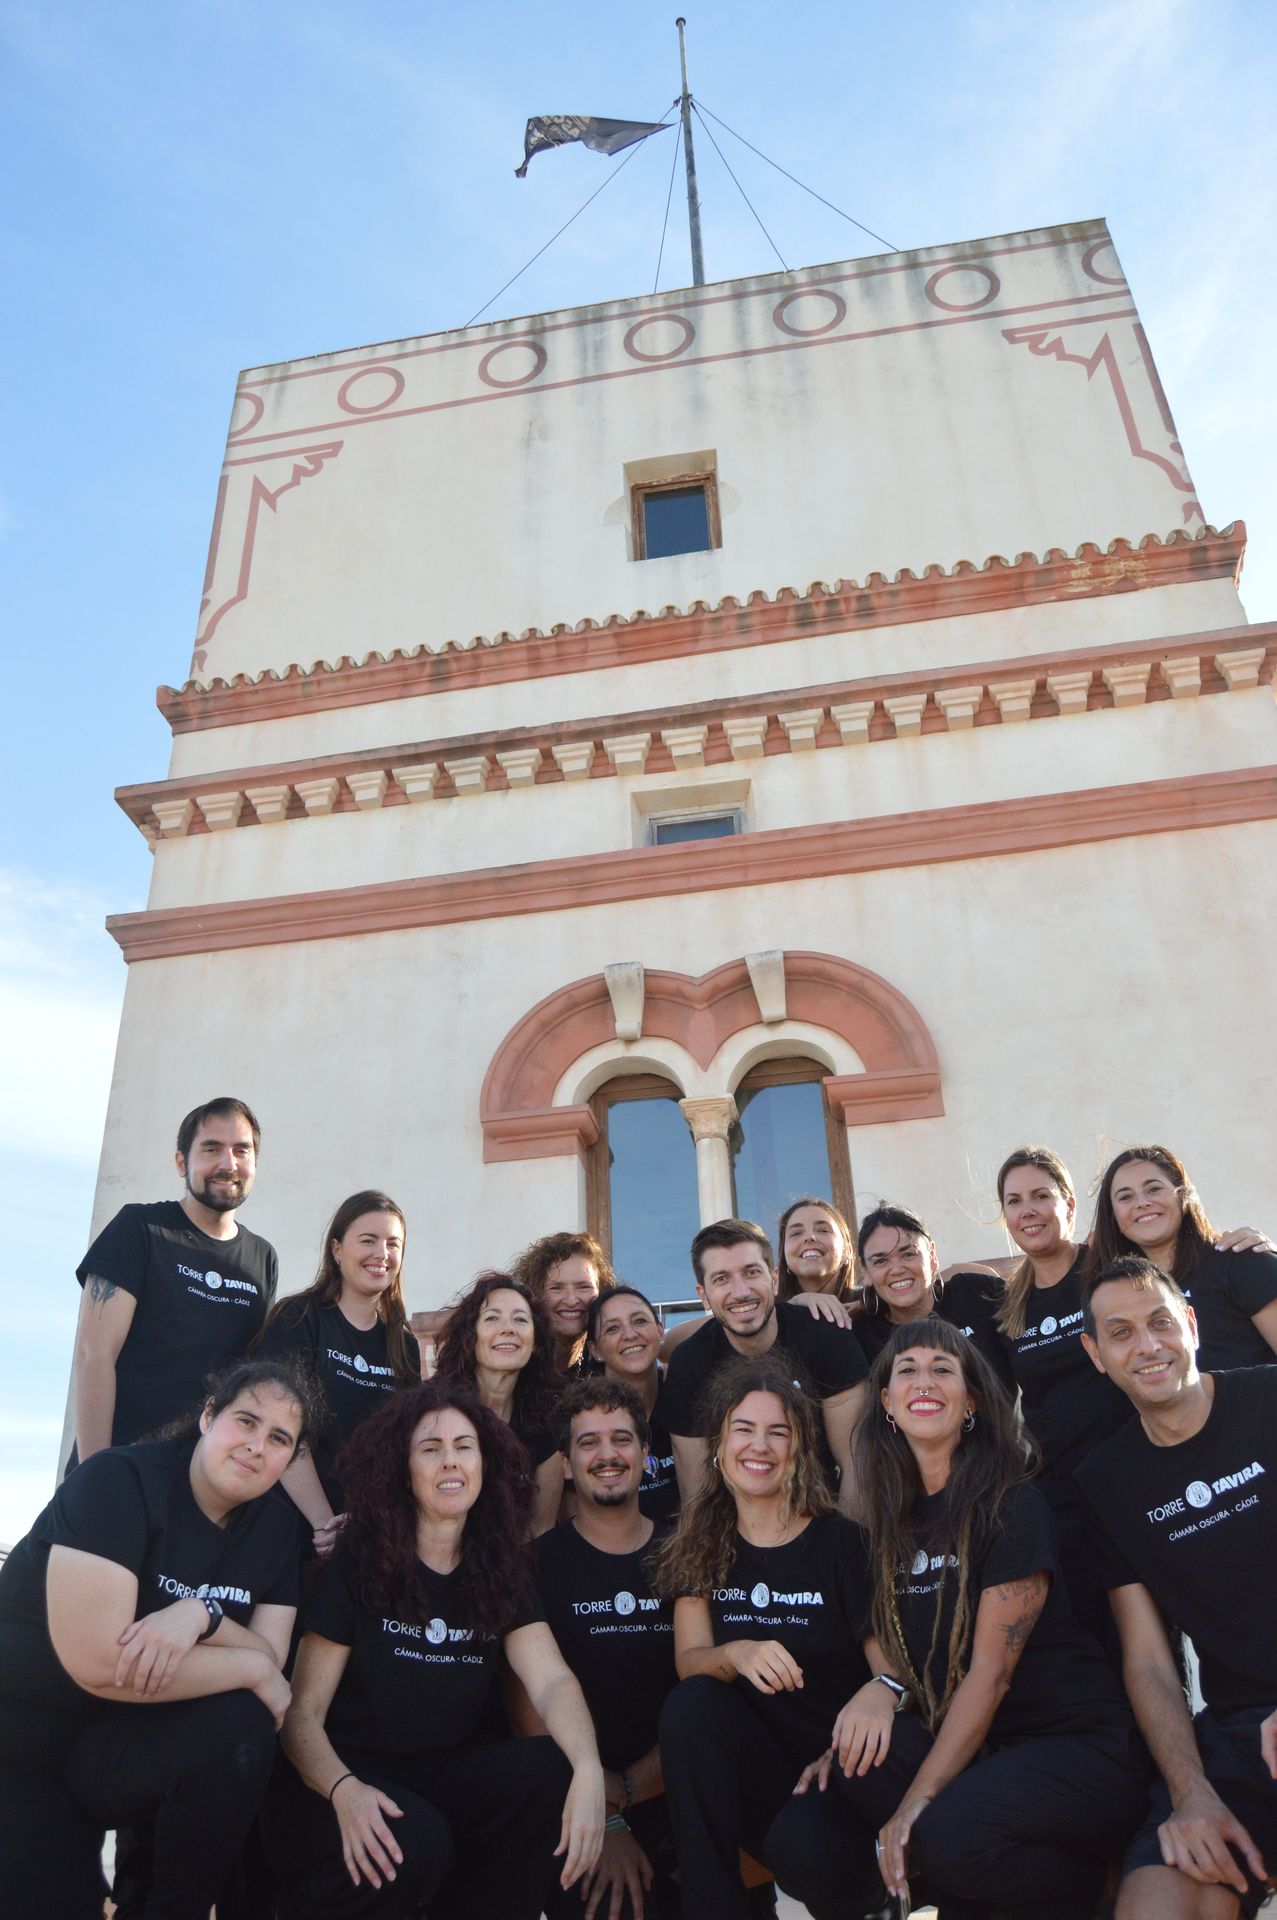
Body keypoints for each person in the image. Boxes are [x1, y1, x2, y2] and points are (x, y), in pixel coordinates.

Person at [793, 1317, 1147, 1920]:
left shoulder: (1011, 1502)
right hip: (988, 1748)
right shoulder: (891, 1526)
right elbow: (908, 1659)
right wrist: (879, 1694)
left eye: (942, 1369)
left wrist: (914, 1804)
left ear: (972, 1401)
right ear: (886, 1404)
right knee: (859, 1765)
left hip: (1074, 1744)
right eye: (906, 1370)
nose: (923, 1381)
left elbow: (990, 1674)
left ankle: (1097, 1884)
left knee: (943, 1836)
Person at [263, 1380, 605, 1920]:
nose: (450, 1462)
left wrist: (588, 1768)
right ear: (404, 1469)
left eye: (464, 1447)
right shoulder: (360, 1561)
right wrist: (343, 1790)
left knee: (548, 1767)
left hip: (443, 1784)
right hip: (342, 1782)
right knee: (419, 1845)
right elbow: (301, 1714)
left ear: (485, 1465)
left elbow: (553, 1681)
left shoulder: (499, 1567)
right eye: (430, 1449)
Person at [0, 1358, 314, 1920]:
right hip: (22, 1745)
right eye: (244, 1421)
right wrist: (251, 1667)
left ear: (291, 1459)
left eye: (279, 1438)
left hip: (113, 1745)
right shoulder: (118, 1480)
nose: (255, 1446)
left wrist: (202, 1615)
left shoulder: (277, 1531)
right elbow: (97, 1660)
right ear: (208, 1417)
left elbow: (269, 1654)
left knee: (241, 1724)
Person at [1076, 1255, 1277, 1920]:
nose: (1147, 1345)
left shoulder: (1269, 1399)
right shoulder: (1107, 1482)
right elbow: (1148, 1659)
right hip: (1236, 1732)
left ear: (1190, 1325)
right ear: (1095, 1355)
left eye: (1160, 1322)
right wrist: (1190, 1792)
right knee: (1156, 1904)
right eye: (1121, 1332)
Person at [653, 1355, 880, 1920]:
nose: (760, 1447)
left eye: (778, 1432)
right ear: (720, 1445)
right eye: (744, 1430)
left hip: (838, 1772)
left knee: (804, 1853)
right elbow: (689, 1662)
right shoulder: (700, 1544)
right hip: (757, 1777)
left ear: (799, 1448)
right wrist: (735, 1652)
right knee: (692, 1703)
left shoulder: (842, 1544)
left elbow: (889, 1674)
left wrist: (840, 1750)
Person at [523, 1377, 682, 1920]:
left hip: (682, 1793)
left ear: (644, 1452)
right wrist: (608, 1815)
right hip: (576, 1804)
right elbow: (528, 1712)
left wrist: (632, 1791)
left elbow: (707, 1698)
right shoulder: (535, 1567)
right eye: (588, 1442)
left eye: (621, 1439)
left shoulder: (687, 1555)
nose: (607, 1455)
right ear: (565, 1463)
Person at [71, 1096, 277, 1462]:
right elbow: (94, 1356)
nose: (228, 1164)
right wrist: (95, 1474)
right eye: (212, 1149)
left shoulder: (262, 1259)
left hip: (206, 1481)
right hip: (126, 1467)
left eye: (241, 1151)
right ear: (182, 1161)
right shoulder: (139, 1229)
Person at [253, 1190, 421, 1554]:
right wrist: (324, 1523)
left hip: (370, 1537)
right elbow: (279, 1426)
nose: (382, 1254)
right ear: (337, 1249)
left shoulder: (404, 1346)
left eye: (393, 1244)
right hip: (296, 1526)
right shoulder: (298, 1317)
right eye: (367, 1240)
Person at [661, 1220, 868, 1514]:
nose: (741, 1291)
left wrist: (843, 1552)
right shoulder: (690, 1364)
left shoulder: (825, 1337)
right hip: (736, 1537)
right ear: (703, 1294)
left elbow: (856, 1465)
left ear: (774, 1279)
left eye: (751, 1273)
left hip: (827, 1518)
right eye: (722, 1279)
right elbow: (697, 1494)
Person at [1089, 1145, 1277, 1370]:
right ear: (1113, 1217)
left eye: (1153, 1189)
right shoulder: (1116, 1293)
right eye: (1126, 1197)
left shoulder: (1242, 1260)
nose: (1142, 1203)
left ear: (1183, 1195)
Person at [433, 1272, 565, 1533]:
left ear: (534, 1340)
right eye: (492, 1318)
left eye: (520, 1319)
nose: (508, 1329)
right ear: (471, 1336)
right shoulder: (434, 1413)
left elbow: (540, 1530)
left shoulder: (546, 1423)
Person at [853, 1202, 1013, 1389]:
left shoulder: (977, 1294)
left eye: (909, 1254)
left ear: (932, 1255)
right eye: (881, 1261)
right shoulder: (860, 1336)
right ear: (866, 1272)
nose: (896, 1269)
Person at [587, 1284, 679, 1522]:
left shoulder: (684, 1390)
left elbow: (720, 1330)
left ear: (660, 1332)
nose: (629, 1334)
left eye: (639, 1321)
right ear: (595, 1350)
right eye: (613, 1328)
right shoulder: (584, 1416)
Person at [512, 1230, 618, 1373]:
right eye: (556, 1288)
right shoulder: (515, 1366)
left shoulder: (611, 1367)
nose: (571, 1300)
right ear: (535, 1294)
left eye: (584, 1287)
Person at [776, 1196, 857, 1304]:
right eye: (796, 1233)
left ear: (846, 1249)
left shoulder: (874, 1307)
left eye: (823, 1230)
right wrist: (791, 1307)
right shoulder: (769, 1315)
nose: (809, 1237)